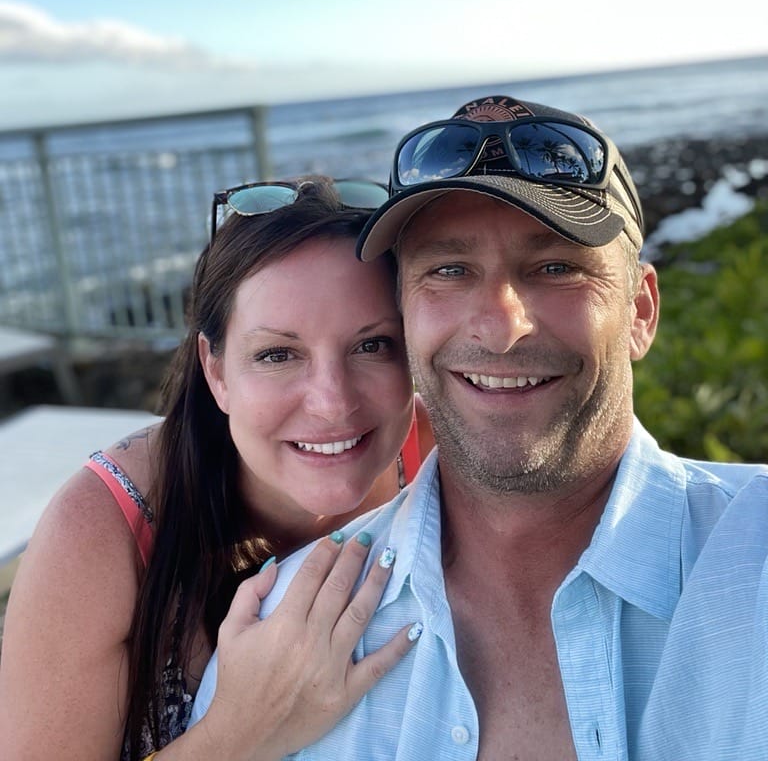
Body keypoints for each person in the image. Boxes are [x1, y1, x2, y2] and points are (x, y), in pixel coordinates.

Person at [190, 94, 768, 760]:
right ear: (404, 314)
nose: (501, 328)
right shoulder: (277, 646)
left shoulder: (749, 561)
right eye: (449, 270)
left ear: (640, 310)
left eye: (555, 267)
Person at [0, 176, 433, 761]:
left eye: (373, 345)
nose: (333, 402)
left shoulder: (438, 454)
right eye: (278, 354)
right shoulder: (106, 527)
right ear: (216, 370)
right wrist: (240, 732)